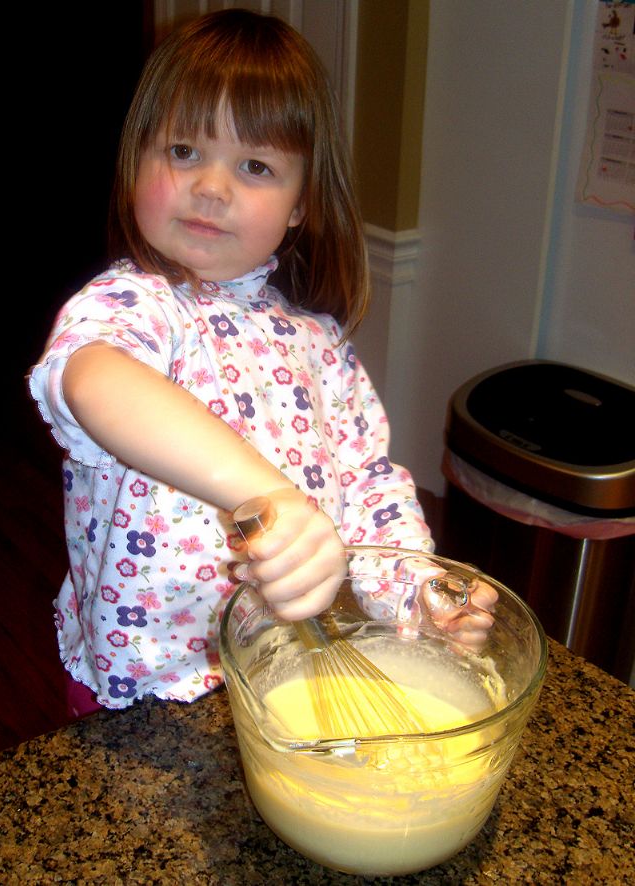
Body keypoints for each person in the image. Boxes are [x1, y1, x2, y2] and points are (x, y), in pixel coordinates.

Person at [29, 9, 494, 716]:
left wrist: (417, 589)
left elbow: (368, 486)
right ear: (137, 162)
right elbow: (95, 379)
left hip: (283, 674)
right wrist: (271, 497)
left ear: (302, 200)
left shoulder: (319, 344)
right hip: (149, 686)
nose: (212, 187)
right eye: (183, 151)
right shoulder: (135, 304)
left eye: (254, 166)